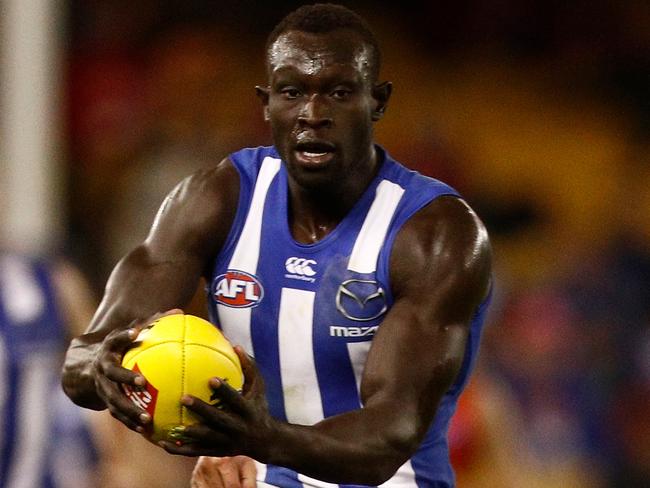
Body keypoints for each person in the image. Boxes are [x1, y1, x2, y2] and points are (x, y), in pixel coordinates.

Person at [61, 3, 492, 487]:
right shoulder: (213, 200)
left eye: (338, 92)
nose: (313, 115)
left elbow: (387, 441)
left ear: (378, 100)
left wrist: (260, 440)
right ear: (266, 104)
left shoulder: (434, 233)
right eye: (292, 92)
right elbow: (83, 359)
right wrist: (102, 370)